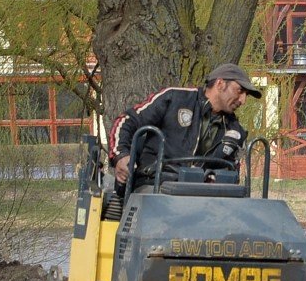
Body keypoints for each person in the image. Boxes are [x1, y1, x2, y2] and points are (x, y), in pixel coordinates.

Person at [110, 63, 262, 189]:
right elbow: (128, 120)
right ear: (220, 84)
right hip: (154, 185)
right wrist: (121, 155)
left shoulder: (235, 131)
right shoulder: (174, 98)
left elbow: (231, 174)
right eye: (240, 91)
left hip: (200, 197)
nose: (243, 100)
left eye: (246, 95)